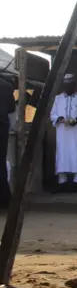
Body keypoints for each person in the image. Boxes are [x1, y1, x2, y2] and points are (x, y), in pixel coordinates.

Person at [50, 74, 77, 188]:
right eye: (66, 85)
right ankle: (62, 181)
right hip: (62, 131)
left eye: (70, 85)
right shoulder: (58, 99)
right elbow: (53, 114)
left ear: (74, 85)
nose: (68, 87)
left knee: (76, 152)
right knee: (62, 153)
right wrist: (59, 119)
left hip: (75, 132)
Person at [0, 75, 15, 208]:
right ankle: (4, 199)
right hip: (2, 127)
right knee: (1, 162)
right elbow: (12, 108)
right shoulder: (7, 86)